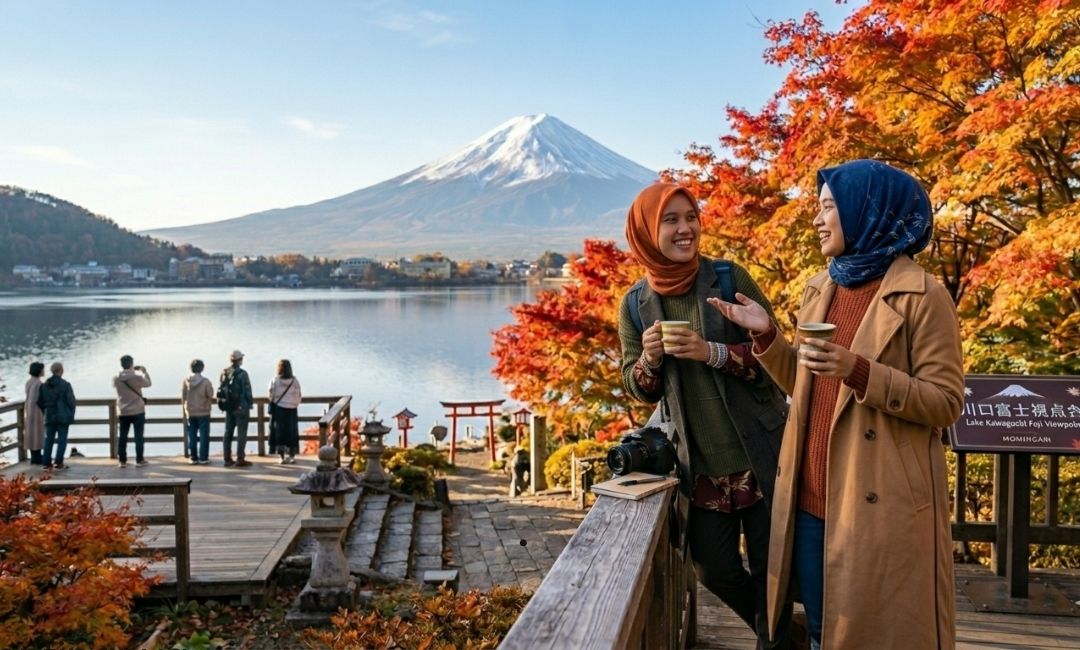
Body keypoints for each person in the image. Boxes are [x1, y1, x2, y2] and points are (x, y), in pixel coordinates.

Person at [711, 159, 963, 649]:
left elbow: (945, 403)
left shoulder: (923, 296)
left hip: (877, 503)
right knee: (824, 631)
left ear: (866, 210)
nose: (817, 219)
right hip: (811, 501)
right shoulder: (821, 287)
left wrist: (860, 370)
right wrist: (767, 339)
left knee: (872, 635)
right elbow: (805, 387)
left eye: (829, 207)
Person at [619, 182, 792, 649]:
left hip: (762, 452)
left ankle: (773, 641)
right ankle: (779, 636)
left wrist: (710, 351)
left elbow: (777, 360)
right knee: (713, 568)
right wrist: (650, 360)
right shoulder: (635, 304)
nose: (685, 228)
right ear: (645, 231)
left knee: (776, 570)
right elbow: (635, 388)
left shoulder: (729, 278)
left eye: (690, 216)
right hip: (700, 468)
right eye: (670, 220)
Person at [113, 355, 152, 468]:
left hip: (123, 411)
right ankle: (139, 460)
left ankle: (122, 461)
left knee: (123, 436)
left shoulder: (116, 378)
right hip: (138, 410)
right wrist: (144, 372)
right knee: (139, 436)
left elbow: (116, 386)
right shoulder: (137, 377)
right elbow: (148, 383)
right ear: (131, 364)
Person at [37, 361, 76, 471]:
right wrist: (70, 413)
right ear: (61, 371)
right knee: (62, 440)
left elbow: (39, 401)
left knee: (48, 440)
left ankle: (46, 463)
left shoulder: (44, 385)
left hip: (49, 416)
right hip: (63, 417)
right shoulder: (65, 385)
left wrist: (45, 411)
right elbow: (71, 401)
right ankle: (58, 463)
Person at [220, 350, 253, 467]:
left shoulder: (225, 372)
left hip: (229, 407)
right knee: (241, 433)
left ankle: (227, 458)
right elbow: (247, 391)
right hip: (241, 407)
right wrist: (249, 404)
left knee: (228, 432)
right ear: (239, 360)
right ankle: (240, 458)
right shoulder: (243, 374)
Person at [268, 359, 302, 464]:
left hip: (279, 409)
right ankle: (292, 456)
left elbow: (271, 395)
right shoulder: (294, 381)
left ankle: (281, 457)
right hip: (292, 409)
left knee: (279, 432)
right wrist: (293, 403)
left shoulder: (275, 380)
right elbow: (299, 395)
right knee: (292, 432)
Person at [182, 359, 214, 465]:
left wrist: (185, 409)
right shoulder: (206, 382)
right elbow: (211, 394)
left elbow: (183, 397)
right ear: (202, 368)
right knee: (204, 435)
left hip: (190, 412)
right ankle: (203, 457)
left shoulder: (186, 381)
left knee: (192, 435)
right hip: (203, 412)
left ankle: (193, 457)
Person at [23, 361, 45, 464]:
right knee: (37, 433)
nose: (43, 371)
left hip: (29, 410)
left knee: (31, 433)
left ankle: (34, 456)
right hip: (36, 411)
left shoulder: (29, 381)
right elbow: (33, 398)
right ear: (39, 371)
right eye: (42, 369)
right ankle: (37, 457)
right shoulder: (38, 383)